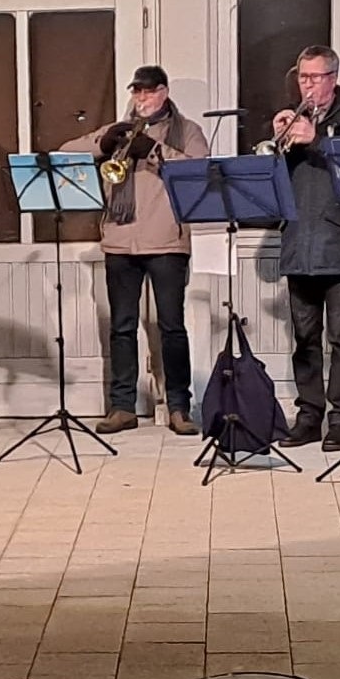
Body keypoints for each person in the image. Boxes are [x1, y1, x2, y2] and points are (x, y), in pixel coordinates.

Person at [61, 66, 210, 436]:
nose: (141, 99)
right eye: (137, 93)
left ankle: (179, 406)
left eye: (148, 92)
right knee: (122, 327)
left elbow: (199, 171)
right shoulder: (123, 128)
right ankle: (122, 406)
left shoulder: (186, 130)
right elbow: (65, 152)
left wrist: (156, 152)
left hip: (166, 242)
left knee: (172, 327)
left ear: (163, 92)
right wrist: (104, 142)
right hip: (120, 239)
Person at [273, 45, 340, 451]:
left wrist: (317, 140)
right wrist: (278, 138)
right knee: (304, 337)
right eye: (302, 77)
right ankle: (308, 415)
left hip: (339, 240)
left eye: (315, 78)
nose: (307, 86)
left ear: (333, 77)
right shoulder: (296, 118)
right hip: (299, 240)